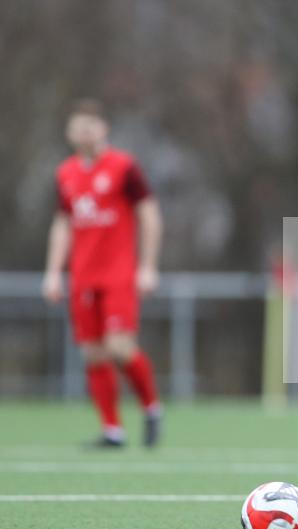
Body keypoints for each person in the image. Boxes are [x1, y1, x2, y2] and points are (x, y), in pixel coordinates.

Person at [43, 99, 164, 448]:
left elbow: (150, 214)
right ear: (69, 133)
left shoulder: (124, 167)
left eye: (90, 126)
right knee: (93, 353)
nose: (84, 132)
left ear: (103, 129)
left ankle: (151, 406)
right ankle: (113, 430)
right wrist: (53, 272)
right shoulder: (65, 173)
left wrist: (148, 266)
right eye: (78, 127)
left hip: (118, 275)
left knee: (119, 347)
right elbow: (63, 224)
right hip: (82, 276)